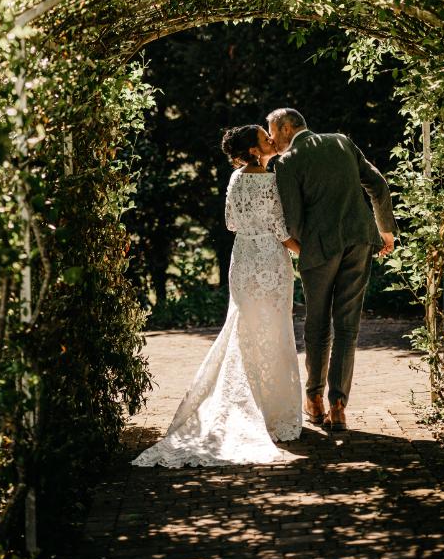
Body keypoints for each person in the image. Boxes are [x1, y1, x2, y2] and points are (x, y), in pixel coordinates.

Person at [133, 124, 302, 467]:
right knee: (275, 330)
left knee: (244, 329)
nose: (271, 139)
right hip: (270, 259)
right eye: (264, 138)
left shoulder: (235, 179)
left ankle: (253, 403)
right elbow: (281, 229)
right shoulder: (271, 181)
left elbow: (230, 223)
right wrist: (305, 251)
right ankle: (274, 411)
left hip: (242, 260)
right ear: (255, 150)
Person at [268, 107, 396, 433]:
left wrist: (303, 245)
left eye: (272, 130)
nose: (270, 138)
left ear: (286, 129)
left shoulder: (286, 162)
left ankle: (314, 400)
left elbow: (293, 219)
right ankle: (339, 405)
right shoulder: (341, 142)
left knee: (317, 324)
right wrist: (385, 231)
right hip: (359, 240)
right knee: (347, 324)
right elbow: (377, 184)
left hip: (320, 250)